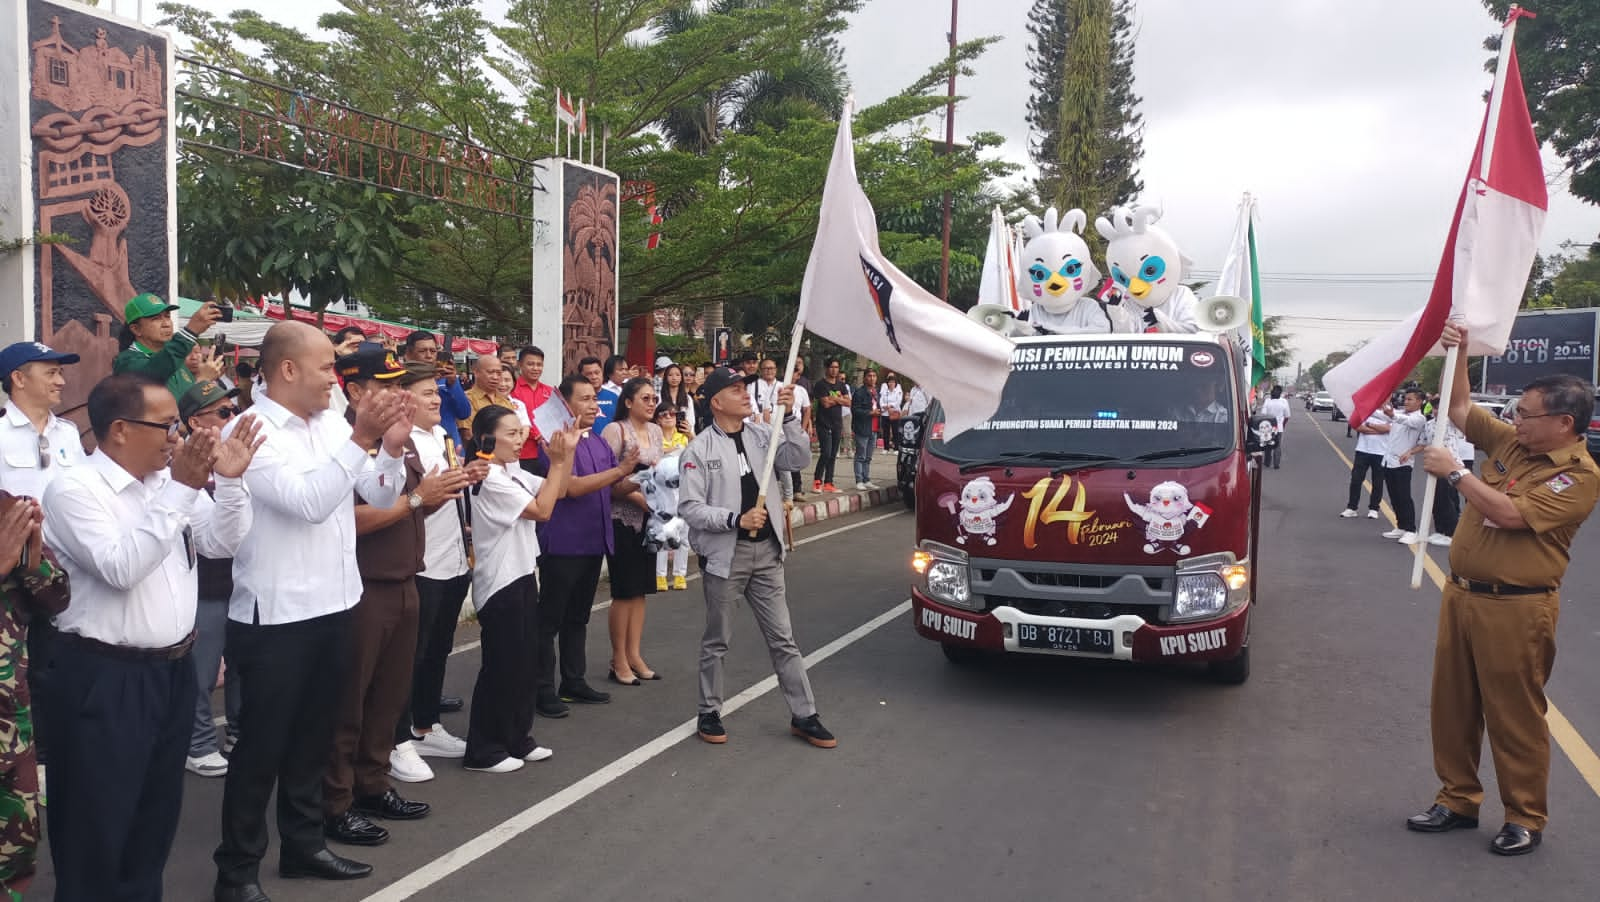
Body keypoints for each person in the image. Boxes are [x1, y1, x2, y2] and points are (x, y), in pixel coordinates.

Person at [213, 322, 413, 902]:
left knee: (315, 739)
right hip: (276, 616)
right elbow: (307, 503)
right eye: (327, 366)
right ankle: (237, 872)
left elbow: (374, 494)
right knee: (262, 750)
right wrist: (361, 441)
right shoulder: (249, 430)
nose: (337, 377)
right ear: (288, 370)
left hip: (337, 603)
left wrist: (391, 449)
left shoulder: (329, 423)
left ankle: (303, 845)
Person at [43, 372, 261, 902]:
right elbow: (121, 567)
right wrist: (185, 489)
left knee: (153, 816)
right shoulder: (75, 489)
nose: (177, 437)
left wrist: (227, 484)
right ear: (119, 430)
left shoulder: (167, 485)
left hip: (171, 670)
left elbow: (219, 542)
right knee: (97, 822)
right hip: (103, 674)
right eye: (165, 425)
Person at [1405, 323, 1600, 858]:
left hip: (1517, 607)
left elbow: (1512, 515)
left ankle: (1524, 816)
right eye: (1515, 411)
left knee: (1514, 716)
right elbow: (1462, 410)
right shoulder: (1513, 443)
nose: (1514, 420)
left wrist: (1456, 476)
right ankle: (1458, 799)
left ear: (1564, 423)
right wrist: (1460, 351)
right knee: (1453, 706)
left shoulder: (1578, 476)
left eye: (1526, 414)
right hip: (1464, 595)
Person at [324, 356, 471, 847]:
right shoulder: (345, 443)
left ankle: (372, 784)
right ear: (353, 392)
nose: (395, 396)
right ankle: (336, 802)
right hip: (365, 584)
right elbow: (353, 518)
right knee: (350, 701)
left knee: (388, 698)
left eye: (396, 386)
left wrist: (431, 497)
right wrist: (416, 500)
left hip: (405, 576)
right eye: (382, 386)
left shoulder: (398, 439)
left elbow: (408, 503)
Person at [678, 367, 835, 749]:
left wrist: (792, 417)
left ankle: (804, 714)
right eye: (735, 390)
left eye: (745, 388)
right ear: (716, 402)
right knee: (718, 640)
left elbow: (796, 458)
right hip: (725, 557)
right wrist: (735, 519)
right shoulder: (699, 449)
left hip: (766, 554)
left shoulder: (763, 434)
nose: (746, 394)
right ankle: (709, 710)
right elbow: (690, 508)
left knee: (784, 639)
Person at [464, 406, 576, 772]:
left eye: (520, 431)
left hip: (524, 572)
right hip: (500, 582)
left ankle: (517, 738)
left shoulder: (510, 471)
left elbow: (555, 491)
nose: (520, 438)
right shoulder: (490, 479)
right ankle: (485, 749)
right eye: (511, 433)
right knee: (502, 666)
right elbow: (542, 511)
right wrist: (557, 462)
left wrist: (566, 453)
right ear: (486, 439)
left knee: (525, 662)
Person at [396, 365, 487, 772]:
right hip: (423, 559)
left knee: (438, 648)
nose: (436, 399)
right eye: (425, 393)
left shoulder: (442, 436)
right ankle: (400, 736)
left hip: (452, 554)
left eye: (436, 392)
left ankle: (426, 725)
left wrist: (464, 480)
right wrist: (447, 487)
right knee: (413, 653)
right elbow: (407, 502)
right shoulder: (403, 444)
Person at [533, 375, 639, 717]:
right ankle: (542, 688)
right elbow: (572, 488)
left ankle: (573, 680)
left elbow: (613, 487)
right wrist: (620, 470)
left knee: (578, 617)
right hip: (565, 542)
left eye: (595, 398)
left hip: (594, 540)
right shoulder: (557, 443)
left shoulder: (596, 442)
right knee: (550, 619)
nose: (594, 405)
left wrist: (650, 478)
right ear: (566, 404)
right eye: (585, 399)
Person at [0, 491, 69, 899]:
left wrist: (33, 557)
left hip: (13, 726)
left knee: (17, 855)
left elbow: (57, 598)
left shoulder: (8, 510)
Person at [177, 381, 247, 778]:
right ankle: (198, 742)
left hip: (243, 581)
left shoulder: (242, 455)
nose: (232, 418)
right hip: (205, 585)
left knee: (241, 666)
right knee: (202, 673)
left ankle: (238, 731)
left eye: (232, 410)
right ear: (194, 421)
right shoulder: (186, 463)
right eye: (222, 413)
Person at [601, 379, 664, 686]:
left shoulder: (655, 432)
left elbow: (659, 474)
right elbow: (607, 479)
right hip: (622, 517)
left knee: (641, 591)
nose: (652, 403)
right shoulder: (616, 431)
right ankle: (618, 658)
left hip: (649, 520)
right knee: (624, 591)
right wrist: (637, 497)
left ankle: (635, 654)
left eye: (654, 398)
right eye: (645, 398)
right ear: (628, 402)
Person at [113, 294, 223, 398]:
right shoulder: (126, 362)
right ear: (136, 329)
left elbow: (187, 403)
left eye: (167, 316)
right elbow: (157, 372)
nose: (166, 324)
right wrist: (202, 380)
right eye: (156, 318)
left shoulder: (176, 360)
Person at [1400, 411, 1475, 547]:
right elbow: (1423, 443)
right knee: (1435, 498)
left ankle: (1452, 533)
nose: (1436, 411)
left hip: (1450, 464)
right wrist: (1410, 452)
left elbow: (1462, 430)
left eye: (1439, 408)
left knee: (1446, 499)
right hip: (1434, 464)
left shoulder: (1450, 423)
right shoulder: (1428, 425)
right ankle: (1440, 530)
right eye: (1435, 408)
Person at [402, 331, 472, 453]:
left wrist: (452, 384)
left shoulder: (448, 378)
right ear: (408, 354)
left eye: (433, 351)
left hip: (451, 447)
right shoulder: (401, 381)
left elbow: (464, 413)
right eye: (422, 351)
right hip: (417, 445)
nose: (429, 355)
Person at [1380, 389, 1428, 545]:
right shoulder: (1400, 414)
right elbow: (1388, 415)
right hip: (1389, 460)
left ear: (1419, 401)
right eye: (1405, 399)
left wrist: (1392, 415)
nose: (1406, 402)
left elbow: (1404, 420)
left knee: (1403, 496)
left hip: (1403, 463)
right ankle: (1401, 526)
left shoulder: (1419, 418)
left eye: (1410, 399)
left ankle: (1411, 530)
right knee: (1393, 496)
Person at [655, 403, 691, 591]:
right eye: (664, 414)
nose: (669, 417)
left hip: (681, 491)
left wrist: (690, 436)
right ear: (658, 419)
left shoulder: (684, 438)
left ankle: (679, 574)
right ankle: (660, 576)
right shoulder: (654, 438)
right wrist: (669, 452)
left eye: (672, 414)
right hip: (662, 492)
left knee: (683, 536)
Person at [510, 346, 554, 473]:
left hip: (547, 453)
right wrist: (537, 434)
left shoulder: (549, 391)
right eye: (530, 364)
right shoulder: (512, 390)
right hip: (523, 453)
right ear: (520, 365)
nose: (535, 368)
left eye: (539, 364)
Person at [1341, 411, 1389, 519]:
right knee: (1356, 479)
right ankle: (1352, 508)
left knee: (1378, 482)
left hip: (1381, 452)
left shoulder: (1391, 413)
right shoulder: (1366, 411)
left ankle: (1373, 508)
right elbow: (1358, 427)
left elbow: (1388, 429)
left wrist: (1369, 426)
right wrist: (1379, 430)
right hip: (1362, 450)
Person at [812, 359, 850, 493]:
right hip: (824, 423)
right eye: (832, 367)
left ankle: (829, 482)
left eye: (837, 367)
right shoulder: (820, 385)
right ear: (826, 368)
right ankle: (817, 480)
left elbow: (848, 402)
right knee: (826, 452)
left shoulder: (841, 385)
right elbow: (825, 404)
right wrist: (839, 399)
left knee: (833, 454)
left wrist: (834, 398)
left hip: (837, 423)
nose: (835, 370)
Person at [851, 368, 880, 490]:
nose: (872, 378)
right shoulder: (859, 392)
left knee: (868, 456)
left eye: (874, 376)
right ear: (864, 378)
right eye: (869, 376)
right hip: (862, 428)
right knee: (860, 455)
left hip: (874, 428)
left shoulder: (876, 392)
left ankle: (866, 478)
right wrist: (870, 412)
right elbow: (855, 410)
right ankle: (859, 480)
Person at [593, 355, 628, 436]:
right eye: (620, 370)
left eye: (626, 369)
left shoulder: (627, 388)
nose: (624, 372)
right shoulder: (603, 390)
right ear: (610, 372)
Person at [1259, 386, 1291, 470]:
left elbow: (1263, 414)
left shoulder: (1267, 401)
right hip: (1279, 428)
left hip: (1268, 427)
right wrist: (1283, 425)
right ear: (1280, 394)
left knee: (1268, 445)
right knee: (1277, 445)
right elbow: (1287, 416)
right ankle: (1276, 464)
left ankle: (1267, 462)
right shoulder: (1284, 402)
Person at [660, 363, 695, 436]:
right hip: (663, 435)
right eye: (670, 375)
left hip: (682, 435)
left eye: (677, 375)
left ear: (681, 377)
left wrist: (689, 431)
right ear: (665, 377)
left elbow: (691, 421)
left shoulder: (687, 398)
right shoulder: (659, 396)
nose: (674, 378)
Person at [878, 372, 904, 452]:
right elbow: (881, 400)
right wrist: (884, 406)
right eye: (890, 382)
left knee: (895, 431)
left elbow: (898, 401)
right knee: (886, 431)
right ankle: (886, 448)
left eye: (893, 382)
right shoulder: (884, 388)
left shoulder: (898, 389)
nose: (891, 383)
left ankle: (896, 448)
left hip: (894, 412)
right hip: (885, 413)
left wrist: (891, 406)